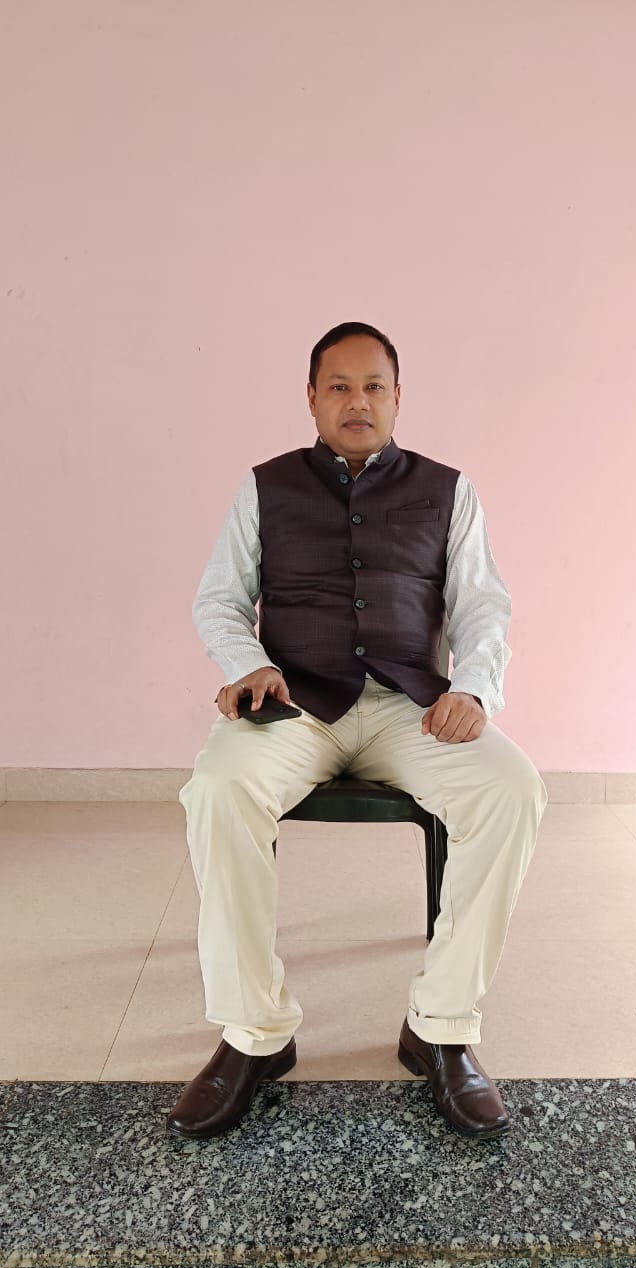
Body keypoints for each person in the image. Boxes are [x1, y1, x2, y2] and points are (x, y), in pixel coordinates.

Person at [169, 321, 547, 1141]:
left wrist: (474, 689)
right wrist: (248, 664)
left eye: (374, 386)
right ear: (311, 399)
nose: (357, 401)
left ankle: (441, 1028)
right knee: (219, 789)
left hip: (412, 708)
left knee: (512, 788)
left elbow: (484, 606)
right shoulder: (265, 487)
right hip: (296, 705)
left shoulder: (449, 490)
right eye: (338, 386)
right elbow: (219, 600)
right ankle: (255, 1033)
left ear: (398, 398)